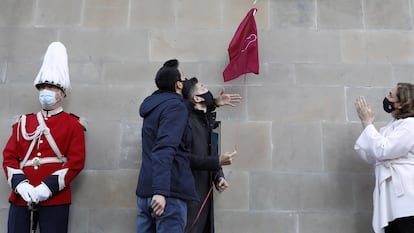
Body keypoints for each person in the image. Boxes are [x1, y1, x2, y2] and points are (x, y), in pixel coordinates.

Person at [2, 41, 87, 233]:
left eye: (51, 87)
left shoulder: (73, 124)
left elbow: (76, 162)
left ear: (62, 93)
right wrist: (21, 186)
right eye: (43, 87)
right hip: (21, 197)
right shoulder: (23, 122)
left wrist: (46, 188)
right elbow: (9, 158)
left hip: (55, 197)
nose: (45, 92)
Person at [136, 59, 198, 233]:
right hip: (167, 194)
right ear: (178, 85)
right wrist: (161, 191)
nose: (187, 82)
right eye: (184, 78)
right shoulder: (175, 107)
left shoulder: (155, 106)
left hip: (147, 192)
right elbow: (165, 148)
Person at [354, 83, 414, 233]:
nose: (387, 99)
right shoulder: (390, 127)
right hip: (389, 200)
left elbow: (383, 150)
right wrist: (367, 126)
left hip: (407, 196)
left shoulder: (411, 125)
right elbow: (370, 154)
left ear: (401, 104)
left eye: (390, 95)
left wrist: (368, 124)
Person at [182, 77, 238, 233]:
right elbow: (185, 159)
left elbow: (209, 151)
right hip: (191, 197)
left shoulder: (204, 120)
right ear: (197, 98)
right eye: (202, 87)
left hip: (204, 195)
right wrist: (217, 161)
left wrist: (219, 176)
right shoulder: (186, 122)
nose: (207, 89)